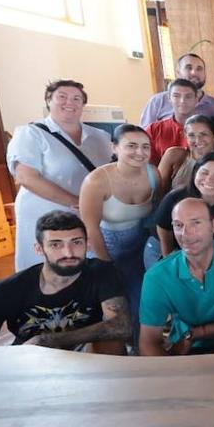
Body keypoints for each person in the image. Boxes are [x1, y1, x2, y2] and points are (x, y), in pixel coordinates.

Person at [0, 210, 129, 353]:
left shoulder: (101, 272)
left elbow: (121, 326)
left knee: (112, 342)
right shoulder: (4, 290)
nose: (68, 253)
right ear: (39, 249)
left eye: (76, 242)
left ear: (87, 244)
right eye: (56, 244)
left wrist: (47, 340)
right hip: (31, 358)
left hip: (84, 353)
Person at [6, 79, 113, 271]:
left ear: (83, 105)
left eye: (76, 98)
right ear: (49, 100)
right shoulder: (31, 133)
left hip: (87, 217)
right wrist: (76, 201)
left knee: (86, 267)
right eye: (62, 97)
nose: (69, 102)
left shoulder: (100, 137)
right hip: (44, 215)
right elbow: (26, 177)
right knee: (45, 268)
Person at [138, 197, 214, 355]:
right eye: (178, 225)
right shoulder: (156, 276)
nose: (185, 233)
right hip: (188, 349)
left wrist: (198, 333)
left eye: (195, 223)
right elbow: (148, 342)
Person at [78, 124, 159, 321]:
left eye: (145, 147)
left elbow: (158, 214)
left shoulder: (154, 174)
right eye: (131, 146)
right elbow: (90, 228)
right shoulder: (96, 180)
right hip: (105, 246)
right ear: (114, 147)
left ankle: (142, 345)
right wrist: (107, 266)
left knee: (144, 299)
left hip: (142, 245)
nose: (139, 152)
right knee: (115, 304)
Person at [154, 152, 214, 257]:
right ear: (195, 174)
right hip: (164, 248)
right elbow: (163, 228)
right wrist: (169, 259)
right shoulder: (175, 198)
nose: (209, 179)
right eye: (204, 173)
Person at [139, 53, 214, 127]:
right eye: (188, 68)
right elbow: (144, 137)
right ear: (178, 73)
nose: (194, 73)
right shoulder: (158, 102)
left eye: (199, 69)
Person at [157, 114, 214, 192]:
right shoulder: (174, 156)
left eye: (204, 134)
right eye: (191, 135)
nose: (198, 140)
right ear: (185, 136)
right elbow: (158, 193)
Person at [145, 78, 198, 165]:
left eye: (188, 96)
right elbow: (147, 166)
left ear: (196, 100)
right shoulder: (154, 130)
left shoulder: (207, 129)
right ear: (169, 99)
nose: (182, 101)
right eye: (176, 96)